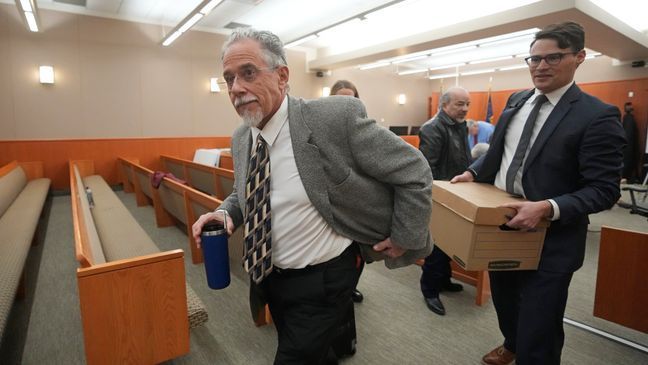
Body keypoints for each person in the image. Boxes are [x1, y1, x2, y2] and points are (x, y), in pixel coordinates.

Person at [192, 28, 433, 365]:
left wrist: (406, 235)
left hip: (325, 281)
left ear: (282, 76)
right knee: (313, 351)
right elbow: (243, 190)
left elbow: (414, 170)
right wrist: (225, 213)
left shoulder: (334, 118)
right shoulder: (242, 137)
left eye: (248, 73)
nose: (235, 88)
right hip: (270, 277)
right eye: (228, 78)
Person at [451, 22, 625, 365]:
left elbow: (604, 190)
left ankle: (528, 350)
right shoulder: (517, 100)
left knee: (540, 325)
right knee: (505, 301)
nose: (540, 66)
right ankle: (512, 344)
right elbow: (500, 151)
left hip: (552, 240)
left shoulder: (598, 116)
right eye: (534, 59)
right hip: (502, 226)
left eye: (552, 58)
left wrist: (547, 207)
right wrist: (473, 171)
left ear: (579, 58)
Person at [418, 87, 471, 316]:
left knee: (451, 243)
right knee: (437, 247)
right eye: (460, 104)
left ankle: (444, 279)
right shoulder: (432, 128)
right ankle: (429, 290)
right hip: (441, 196)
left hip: (457, 192)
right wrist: (445, 195)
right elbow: (428, 168)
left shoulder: (459, 125)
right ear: (445, 105)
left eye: (467, 103)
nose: (465, 109)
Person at [330, 79, 364, 303]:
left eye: (351, 100)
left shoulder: (363, 128)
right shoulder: (324, 128)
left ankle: (352, 286)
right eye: (341, 99)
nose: (346, 104)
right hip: (334, 200)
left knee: (359, 253)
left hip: (358, 200)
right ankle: (341, 289)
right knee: (338, 254)